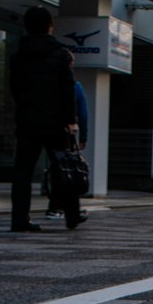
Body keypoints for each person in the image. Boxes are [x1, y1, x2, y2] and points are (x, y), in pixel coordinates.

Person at [9, 6, 84, 233]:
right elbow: (67, 89)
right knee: (64, 168)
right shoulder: (60, 54)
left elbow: (15, 89)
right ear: (50, 26)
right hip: (55, 122)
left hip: (27, 121)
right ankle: (72, 215)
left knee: (22, 172)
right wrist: (71, 120)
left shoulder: (18, 56)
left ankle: (19, 219)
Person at [46, 80, 88, 220]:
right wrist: (83, 136)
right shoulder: (73, 85)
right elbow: (82, 111)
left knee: (54, 167)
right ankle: (65, 210)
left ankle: (55, 207)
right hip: (64, 132)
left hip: (41, 129)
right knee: (68, 169)